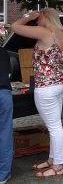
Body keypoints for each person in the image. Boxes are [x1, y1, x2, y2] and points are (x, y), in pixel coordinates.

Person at [11, 8, 63, 177]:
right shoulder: (62, 32)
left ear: (46, 16)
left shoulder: (45, 31)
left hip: (47, 86)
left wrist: (28, 16)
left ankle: (58, 166)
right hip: (60, 83)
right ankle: (53, 159)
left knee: (54, 127)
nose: (36, 20)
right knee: (55, 125)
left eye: (39, 17)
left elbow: (15, 26)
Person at [0, 47, 13, 184]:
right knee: (5, 134)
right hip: (3, 94)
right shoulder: (3, 52)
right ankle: (3, 175)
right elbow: (9, 73)